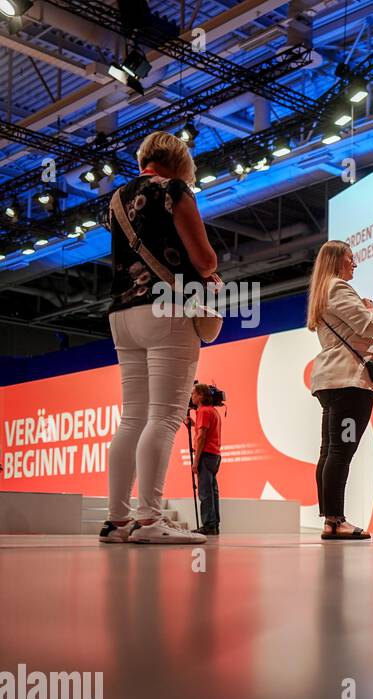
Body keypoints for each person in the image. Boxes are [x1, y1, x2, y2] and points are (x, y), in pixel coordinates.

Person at [99, 131, 219, 545]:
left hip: (122, 313)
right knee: (165, 417)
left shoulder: (115, 200)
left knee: (131, 418)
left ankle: (116, 521)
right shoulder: (173, 189)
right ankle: (150, 521)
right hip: (167, 307)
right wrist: (210, 273)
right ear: (177, 159)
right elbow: (204, 259)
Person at [306, 240, 373, 541]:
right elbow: (368, 327)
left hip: (333, 383)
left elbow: (366, 326)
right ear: (336, 261)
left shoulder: (322, 291)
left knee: (330, 451)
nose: (354, 264)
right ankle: (335, 520)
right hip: (349, 383)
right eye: (350, 259)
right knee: (341, 451)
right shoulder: (339, 288)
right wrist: (371, 309)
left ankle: (330, 520)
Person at [190, 383, 223, 536]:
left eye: (194, 394)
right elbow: (205, 431)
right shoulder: (213, 412)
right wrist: (194, 425)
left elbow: (202, 437)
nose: (192, 397)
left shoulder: (203, 411)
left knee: (204, 492)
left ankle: (208, 525)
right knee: (212, 491)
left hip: (206, 455)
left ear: (201, 396)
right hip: (215, 456)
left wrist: (196, 461)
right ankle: (214, 524)